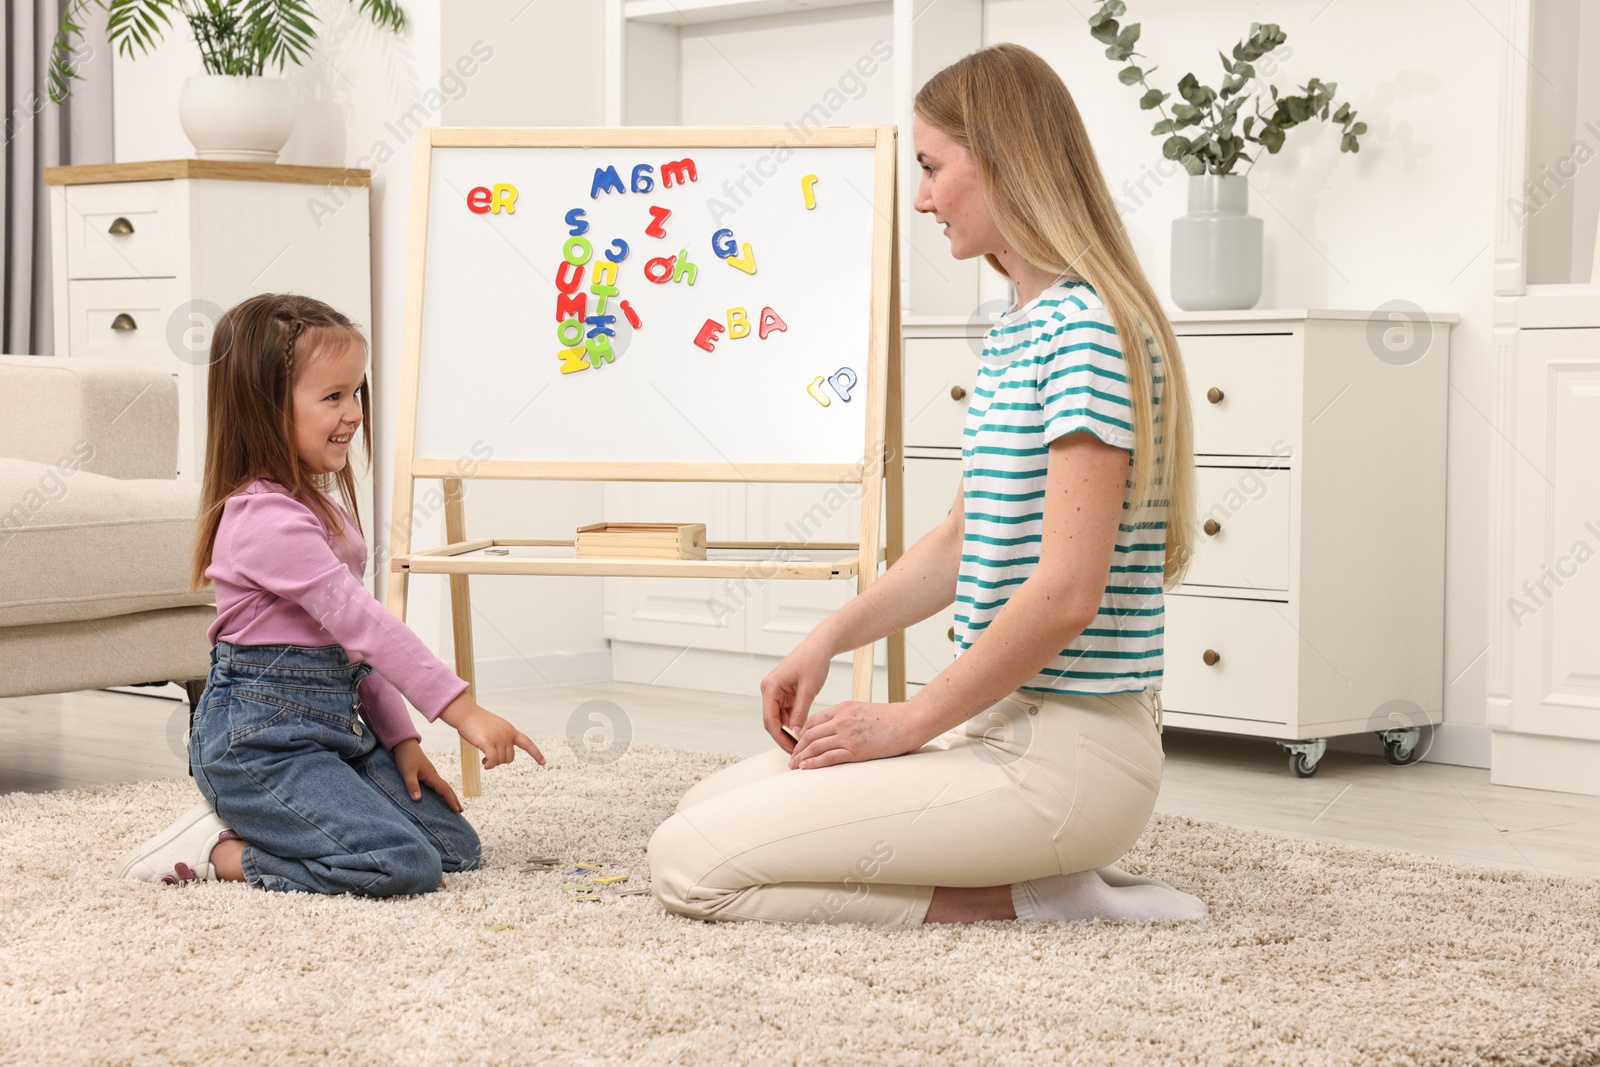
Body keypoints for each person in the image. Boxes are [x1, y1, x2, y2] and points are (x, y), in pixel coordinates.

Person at [649, 43, 1207, 925]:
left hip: (1069, 756)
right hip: (994, 723)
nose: (919, 197)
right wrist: (828, 636)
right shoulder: (1021, 326)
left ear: (1001, 160)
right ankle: (1043, 882)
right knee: (694, 816)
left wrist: (907, 722)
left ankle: (1030, 899)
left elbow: (1065, 594)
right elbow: (961, 537)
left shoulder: (1089, 330)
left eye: (931, 168)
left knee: (690, 866)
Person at [117, 293, 542, 895]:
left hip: (335, 733)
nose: (353, 413)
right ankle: (220, 851)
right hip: (258, 745)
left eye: (357, 392)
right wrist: (462, 711)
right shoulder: (263, 520)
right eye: (332, 396)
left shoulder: (325, 513)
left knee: (453, 849)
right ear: (266, 408)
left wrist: (403, 741)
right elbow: (368, 625)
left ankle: (283, 821)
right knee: (402, 865)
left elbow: (353, 652)